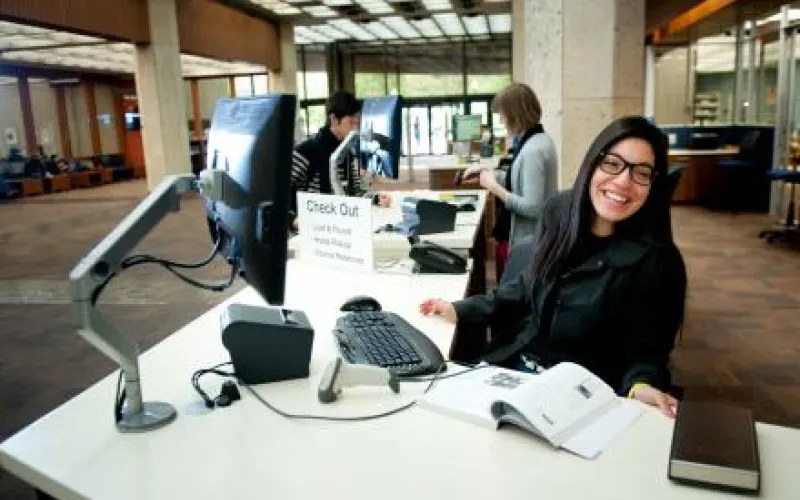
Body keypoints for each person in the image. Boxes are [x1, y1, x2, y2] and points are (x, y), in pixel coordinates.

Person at [420, 116, 688, 418]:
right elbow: (527, 284)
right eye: (613, 164)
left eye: (641, 173)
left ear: (653, 184)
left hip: (578, 400)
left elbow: (645, 352)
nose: (623, 181)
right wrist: (461, 309)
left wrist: (641, 385)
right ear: (593, 164)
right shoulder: (561, 212)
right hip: (516, 372)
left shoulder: (657, 261)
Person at [463, 83, 558, 281]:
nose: (501, 120)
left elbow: (533, 207)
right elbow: (518, 179)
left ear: (515, 114)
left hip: (525, 241)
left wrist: (494, 188)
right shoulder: (536, 140)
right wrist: (488, 173)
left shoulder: (533, 150)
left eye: (502, 114)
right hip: (524, 237)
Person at [290, 91, 391, 221]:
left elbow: (354, 192)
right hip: (314, 228)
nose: (355, 129)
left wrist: (375, 199)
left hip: (340, 226)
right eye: (351, 123)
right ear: (333, 119)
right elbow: (282, 192)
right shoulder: (306, 151)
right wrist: (292, 219)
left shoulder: (347, 151)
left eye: (357, 123)